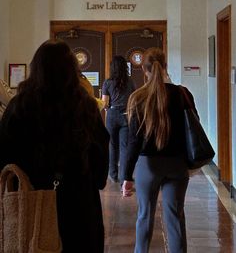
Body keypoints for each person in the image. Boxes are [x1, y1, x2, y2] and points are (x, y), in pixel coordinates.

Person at [0, 39, 109, 253]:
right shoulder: (85, 106)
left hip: (32, 200)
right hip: (79, 202)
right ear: (72, 69)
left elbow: (4, 157)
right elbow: (100, 161)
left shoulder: (19, 106)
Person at [122, 47, 197, 253]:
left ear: (144, 70)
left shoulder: (138, 97)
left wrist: (127, 176)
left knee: (144, 216)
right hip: (177, 164)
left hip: (148, 166)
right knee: (175, 217)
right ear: (164, 66)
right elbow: (193, 127)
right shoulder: (182, 94)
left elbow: (133, 142)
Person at [102, 55, 135, 185]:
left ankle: (113, 174)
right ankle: (124, 177)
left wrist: (107, 109)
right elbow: (134, 99)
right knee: (124, 147)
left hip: (112, 114)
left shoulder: (107, 82)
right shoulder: (130, 82)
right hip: (126, 114)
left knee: (112, 146)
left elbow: (104, 103)